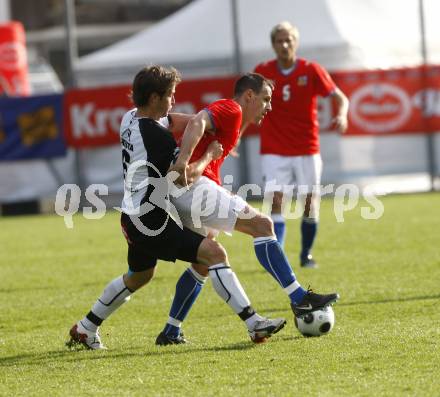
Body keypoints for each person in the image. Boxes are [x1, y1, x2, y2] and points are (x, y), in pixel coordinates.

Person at [66, 65, 286, 350]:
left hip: (131, 215)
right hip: (150, 220)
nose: (173, 101)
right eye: (170, 95)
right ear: (155, 97)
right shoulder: (158, 140)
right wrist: (209, 153)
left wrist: (201, 122)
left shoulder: (129, 118)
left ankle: (85, 327)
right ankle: (253, 322)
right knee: (214, 253)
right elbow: (183, 177)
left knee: (140, 276)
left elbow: (171, 120)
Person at [156, 72, 339, 343]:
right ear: (249, 96)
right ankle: (300, 298)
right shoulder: (231, 109)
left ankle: (171, 330)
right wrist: (183, 160)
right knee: (263, 225)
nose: (270, 106)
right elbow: (197, 120)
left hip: (182, 190)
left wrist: (166, 125)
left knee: (204, 261)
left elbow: (185, 125)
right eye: (266, 99)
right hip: (191, 187)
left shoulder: (232, 122)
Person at [254, 21, 349, 268]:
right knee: (276, 201)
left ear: (296, 42)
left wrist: (343, 114)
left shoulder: (311, 70)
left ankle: (306, 254)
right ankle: (279, 256)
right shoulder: (263, 72)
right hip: (274, 149)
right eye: (279, 41)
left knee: (309, 203)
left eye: (289, 40)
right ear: (273, 44)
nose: (284, 45)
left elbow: (340, 97)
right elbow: (248, 106)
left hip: (307, 148)